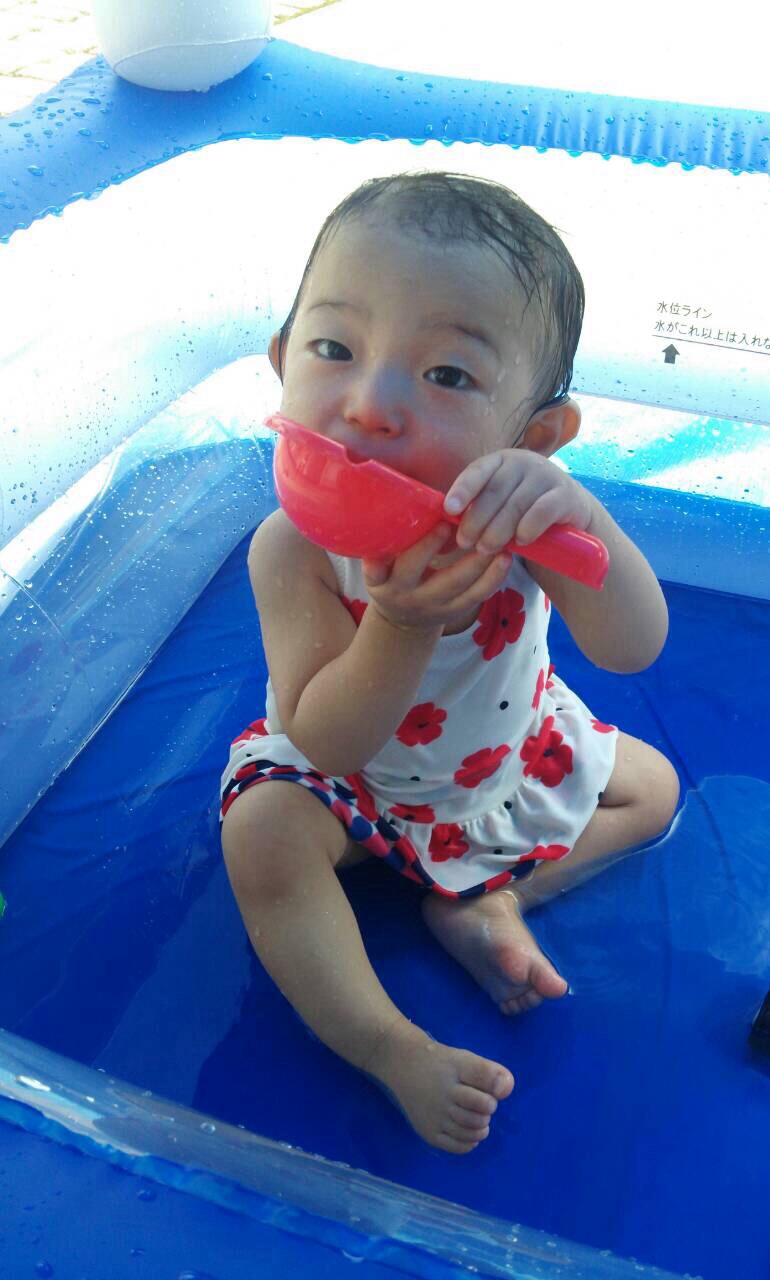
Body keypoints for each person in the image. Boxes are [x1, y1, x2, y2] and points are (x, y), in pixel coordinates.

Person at [219, 171, 679, 1155]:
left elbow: (632, 644)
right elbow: (328, 739)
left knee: (657, 792)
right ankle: (388, 1044)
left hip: (494, 764)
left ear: (535, 435)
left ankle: (484, 895)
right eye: (335, 349)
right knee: (262, 837)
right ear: (282, 361)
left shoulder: (519, 525)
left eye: (447, 376)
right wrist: (400, 620)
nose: (372, 405)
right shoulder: (293, 549)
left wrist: (579, 516)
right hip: (346, 788)